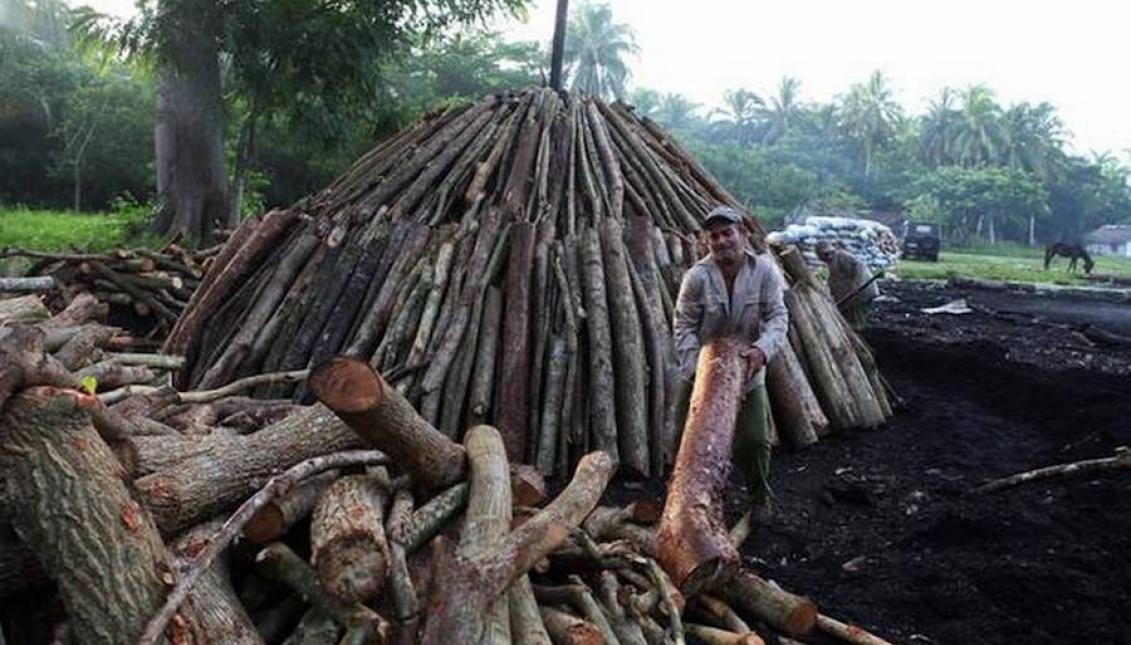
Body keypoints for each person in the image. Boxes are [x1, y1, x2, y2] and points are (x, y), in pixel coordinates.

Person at [673, 205, 788, 524]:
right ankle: (683, 501)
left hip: (747, 368)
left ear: (743, 234)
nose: (722, 241)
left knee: (754, 439)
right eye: (714, 236)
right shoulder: (697, 277)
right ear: (707, 242)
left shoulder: (764, 271)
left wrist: (762, 350)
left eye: (727, 233)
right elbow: (683, 324)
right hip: (702, 369)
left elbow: (778, 317)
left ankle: (759, 497)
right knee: (682, 436)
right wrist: (697, 369)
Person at [815, 241, 878, 328]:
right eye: (824, 255)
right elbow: (835, 280)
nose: (828, 256)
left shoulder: (842, 257)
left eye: (828, 253)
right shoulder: (830, 264)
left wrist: (857, 285)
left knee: (858, 318)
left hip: (862, 292)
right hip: (850, 297)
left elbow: (860, 267)